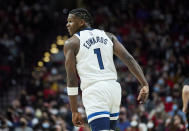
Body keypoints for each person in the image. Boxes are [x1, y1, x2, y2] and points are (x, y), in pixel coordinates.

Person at [64, 8, 149, 131]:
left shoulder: (71, 43)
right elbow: (129, 59)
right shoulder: (109, 36)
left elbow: (72, 79)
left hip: (95, 91)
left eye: (70, 21)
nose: (67, 24)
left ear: (81, 22)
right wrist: (144, 83)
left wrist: (74, 110)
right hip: (113, 89)